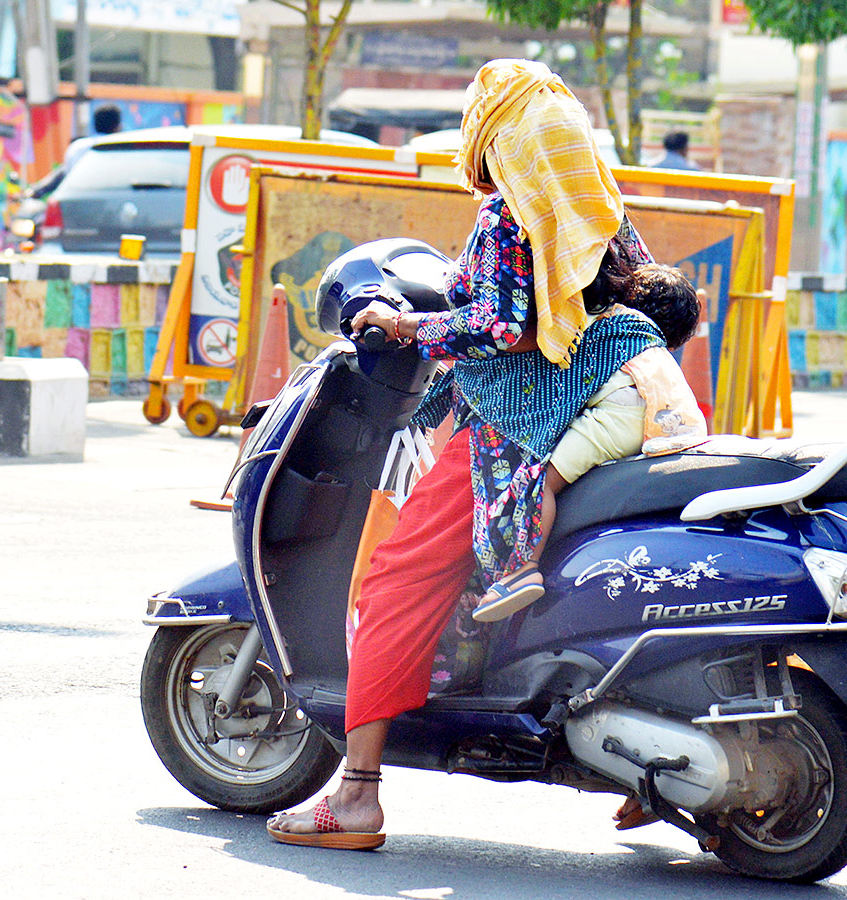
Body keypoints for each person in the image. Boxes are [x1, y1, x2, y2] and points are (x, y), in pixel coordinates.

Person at [266, 59, 675, 850]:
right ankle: (642, 770)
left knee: (398, 580)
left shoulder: (507, 217)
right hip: (628, 399)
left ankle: (354, 795)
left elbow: (499, 326)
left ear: (494, 137)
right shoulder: (600, 213)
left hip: (515, 421)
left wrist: (406, 325)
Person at [472, 262, 707, 622]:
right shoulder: (656, 348)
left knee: (540, 481)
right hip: (674, 420)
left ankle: (524, 568)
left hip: (624, 413)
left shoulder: (614, 323)